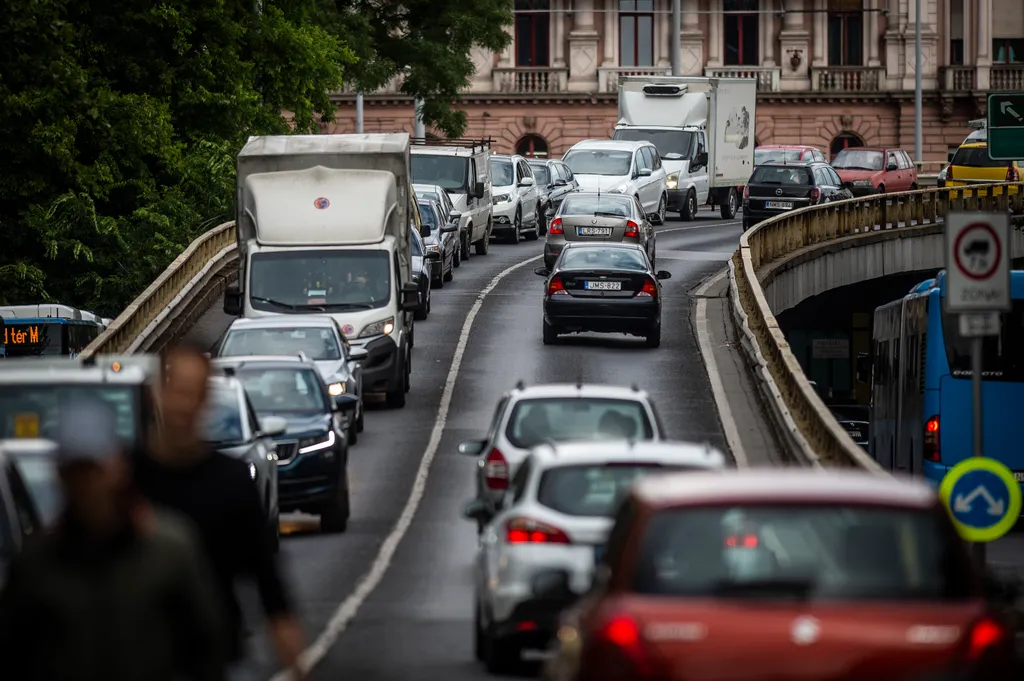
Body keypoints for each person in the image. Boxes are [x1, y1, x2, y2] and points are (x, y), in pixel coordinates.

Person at [0, 399, 226, 681]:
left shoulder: (169, 550)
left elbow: (207, 647)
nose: (88, 484)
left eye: (95, 469)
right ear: (60, 475)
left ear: (119, 467)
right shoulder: (36, 567)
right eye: (76, 471)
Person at [135, 342, 307, 680]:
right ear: (158, 393)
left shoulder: (232, 481)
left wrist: (296, 664)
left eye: (195, 395)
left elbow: (269, 583)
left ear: (205, 402)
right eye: (178, 392)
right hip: (142, 662)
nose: (184, 406)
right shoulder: (126, 480)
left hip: (217, 658)